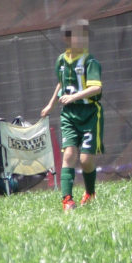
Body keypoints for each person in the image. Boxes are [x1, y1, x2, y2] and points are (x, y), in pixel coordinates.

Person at [40, 19, 104, 212]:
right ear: (67, 38)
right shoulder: (61, 61)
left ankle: (90, 192)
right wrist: (51, 104)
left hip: (89, 114)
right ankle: (67, 200)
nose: (82, 39)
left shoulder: (90, 62)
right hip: (68, 115)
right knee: (68, 154)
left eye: (85, 36)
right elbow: (61, 83)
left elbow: (96, 88)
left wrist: (74, 97)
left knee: (85, 160)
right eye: (77, 35)